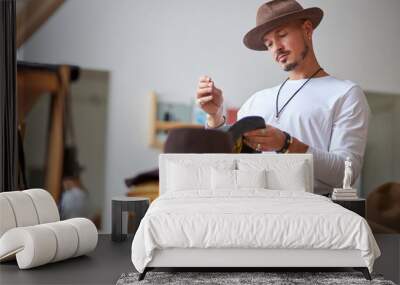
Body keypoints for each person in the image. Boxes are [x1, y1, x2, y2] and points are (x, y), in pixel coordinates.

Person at [196, 0, 371, 195]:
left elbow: (346, 173)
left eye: (282, 35)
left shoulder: (345, 94)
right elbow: (227, 165)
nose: (276, 48)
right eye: (269, 43)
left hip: (313, 218)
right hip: (253, 214)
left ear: (307, 29)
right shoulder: (254, 101)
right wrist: (214, 118)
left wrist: (287, 144)